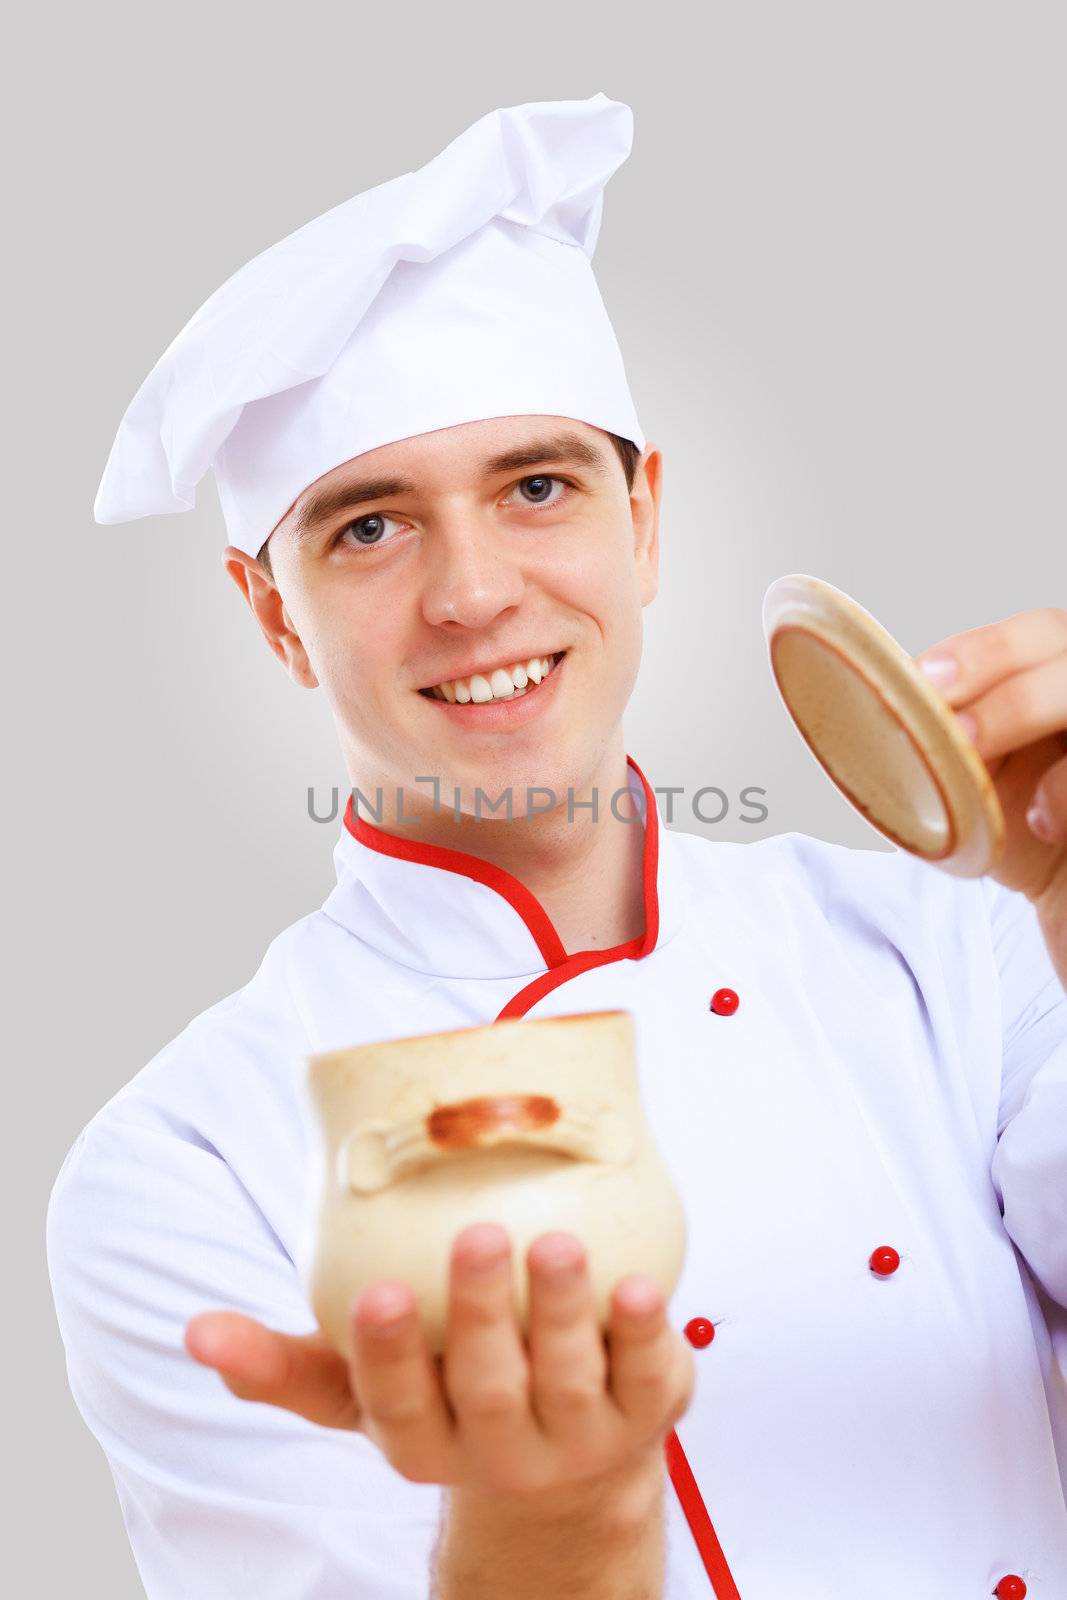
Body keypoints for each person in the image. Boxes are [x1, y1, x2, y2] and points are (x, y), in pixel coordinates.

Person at [46, 93, 1067, 1600]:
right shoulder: (182, 1166)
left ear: (643, 522)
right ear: (273, 616)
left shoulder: (963, 945)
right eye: (369, 528)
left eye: (537, 488)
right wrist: (558, 1525)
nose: (474, 597)